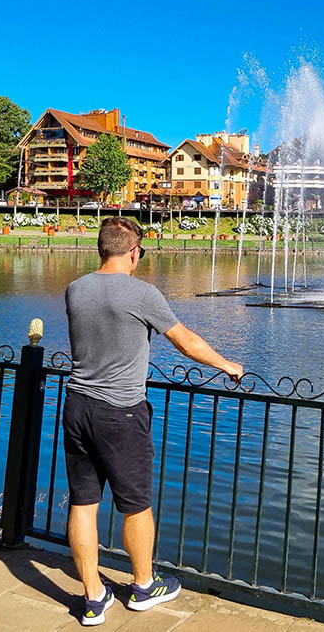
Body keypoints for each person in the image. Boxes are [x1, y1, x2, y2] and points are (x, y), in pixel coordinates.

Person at [63, 216, 243, 626]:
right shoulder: (142, 293)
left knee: (84, 503)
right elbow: (185, 342)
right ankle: (143, 586)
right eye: (139, 252)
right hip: (121, 412)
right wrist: (226, 364)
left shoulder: (77, 289)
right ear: (133, 252)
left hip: (76, 407)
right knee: (136, 505)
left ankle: (93, 598)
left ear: (100, 249)